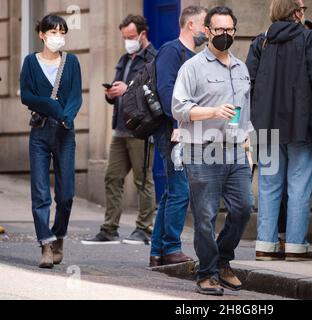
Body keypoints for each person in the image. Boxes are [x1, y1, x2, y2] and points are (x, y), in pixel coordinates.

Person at [172, 6, 254, 296]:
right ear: (207, 31)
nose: (225, 35)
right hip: (202, 151)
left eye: (229, 30)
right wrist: (212, 111)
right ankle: (206, 274)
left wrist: (248, 145)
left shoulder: (241, 68)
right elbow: (179, 107)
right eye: (219, 30)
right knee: (205, 217)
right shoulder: (192, 67)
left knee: (244, 208)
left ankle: (222, 261)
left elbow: (244, 112)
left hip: (235, 151)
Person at [252, 0, 312, 262]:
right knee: (299, 186)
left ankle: (266, 244)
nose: (303, 12)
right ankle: (296, 247)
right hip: (302, 124)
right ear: (296, 13)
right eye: (302, 8)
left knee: (268, 186)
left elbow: (248, 83)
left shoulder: (261, 42)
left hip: (267, 127)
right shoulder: (309, 39)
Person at [82, 15, 157, 246]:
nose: (128, 41)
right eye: (125, 37)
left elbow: (154, 92)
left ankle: (144, 229)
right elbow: (118, 92)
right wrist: (111, 94)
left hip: (141, 129)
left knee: (143, 180)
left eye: (131, 37)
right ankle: (109, 229)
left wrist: (128, 89)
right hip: (121, 130)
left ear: (143, 34)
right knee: (112, 178)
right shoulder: (124, 59)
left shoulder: (153, 59)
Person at [20, 14, 82, 268]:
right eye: (53, 32)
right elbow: (27, 96)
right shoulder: (30, 62)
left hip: (65, 133)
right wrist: (52, 106)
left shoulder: (72, 62)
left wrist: (65, 116)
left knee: (66, 194)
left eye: (61, 32)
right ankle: (45, 244)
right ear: (42, 35)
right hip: (40, 133)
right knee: (40, 193)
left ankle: (59, 236)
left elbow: (76, 96)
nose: (58, 37)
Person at [149, 6, 208, 268]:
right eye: (205, 24)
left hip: (183, 130)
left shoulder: (191, 54)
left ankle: (158, 250)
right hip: (172, 131)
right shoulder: (172, 51)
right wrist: (179, 124)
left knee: (173, 191)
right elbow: (166, 91)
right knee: (181, 190)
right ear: (191, 25)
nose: (207, 30)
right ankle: (171, 248)